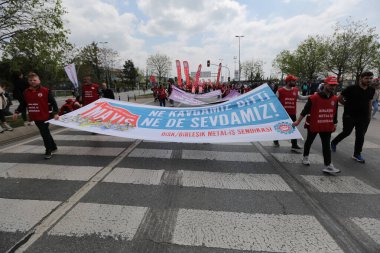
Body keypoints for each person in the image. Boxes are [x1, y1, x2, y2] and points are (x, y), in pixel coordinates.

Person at [293, 76, 340, 174]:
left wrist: (334, 123)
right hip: (314, 124)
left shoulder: (335, 99)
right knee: (309, 141)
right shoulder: (314, 98)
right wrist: (298, 121)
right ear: (325, 84)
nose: (332, 87)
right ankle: (305, 157)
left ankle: (328, 165)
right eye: (331, 85)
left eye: (334, 85)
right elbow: (305, 111)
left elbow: (335, 112)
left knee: (326, 145)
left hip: (326, 125)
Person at [330, 71, 375, 163]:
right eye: (366, 78)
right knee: (347, 132)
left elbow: (370, 102)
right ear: (361, 79)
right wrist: (346, 105)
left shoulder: (371, 90)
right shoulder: (351, 88)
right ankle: (334, 142)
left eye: (371, 78)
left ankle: (357, 154)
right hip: (349, 115)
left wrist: (369, 115)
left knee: (360, 135)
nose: (369, 80)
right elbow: (339, 98)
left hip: (363, 117)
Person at [13, 72, 59, 159]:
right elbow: (23, 104)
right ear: (28, 81)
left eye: (34, 80)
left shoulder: (45, 91)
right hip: (35, 116)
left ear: (39, 80)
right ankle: (53, 147)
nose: (32, 81)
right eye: (30, 80)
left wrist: (55, 113)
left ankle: (48, 150)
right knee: (45, 132)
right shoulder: (26, 92)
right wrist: (17, 112)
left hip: (45, 116)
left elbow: (53, 102)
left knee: (44, 133)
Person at [273, 74, 309, 150]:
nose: (295, 82)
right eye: (293, 80)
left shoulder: (295, 90)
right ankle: (275, 139)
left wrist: (310, 96)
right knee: (279, 127)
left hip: (292, 113)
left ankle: (294, 144)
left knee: (293, 128)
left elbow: (301, 97)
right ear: (288, 81)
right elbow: (274, 101)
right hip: (282, 114)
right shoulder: (280, 91)